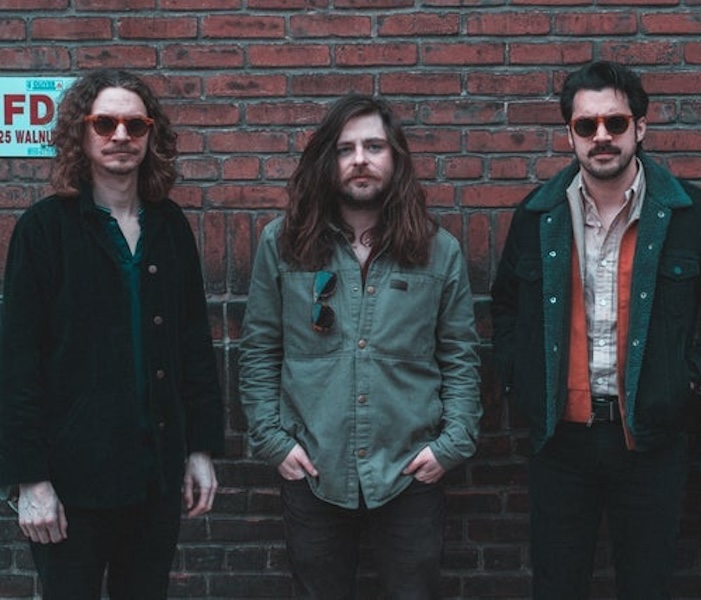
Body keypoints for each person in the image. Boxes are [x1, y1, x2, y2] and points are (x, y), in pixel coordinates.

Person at [490, 60, 701, 599]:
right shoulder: (538, 215)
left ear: (641, 126)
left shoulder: (691, 214)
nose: (602, 137)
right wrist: (522, 382)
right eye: (586, 126)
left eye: (615, 122)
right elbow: (506, 311)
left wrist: (688, 384)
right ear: (570, 134)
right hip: (560, 441)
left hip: (651, 441)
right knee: (557, 586)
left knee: (648, 585)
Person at [239, 93, 481, 599]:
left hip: (411, 469)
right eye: (346, 149)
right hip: (313, 467)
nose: (360, 160)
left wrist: (452, 443)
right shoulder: (282, 243)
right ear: (329, 160)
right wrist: (273, 442)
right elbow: (260, 348)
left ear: (395, 158)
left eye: (374, 146)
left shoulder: (438, 251)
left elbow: (459, 354)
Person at [0, 69, 224, 599]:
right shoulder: (44, 230)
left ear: (151, 136)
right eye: (104, 123)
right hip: (71, 484)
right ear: (81, 133)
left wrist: (200, 450)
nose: (120, 136)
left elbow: (194, 344)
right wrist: (29, 480)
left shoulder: (170, 226)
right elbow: (16, 363)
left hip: (154, 478)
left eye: (134, 124)